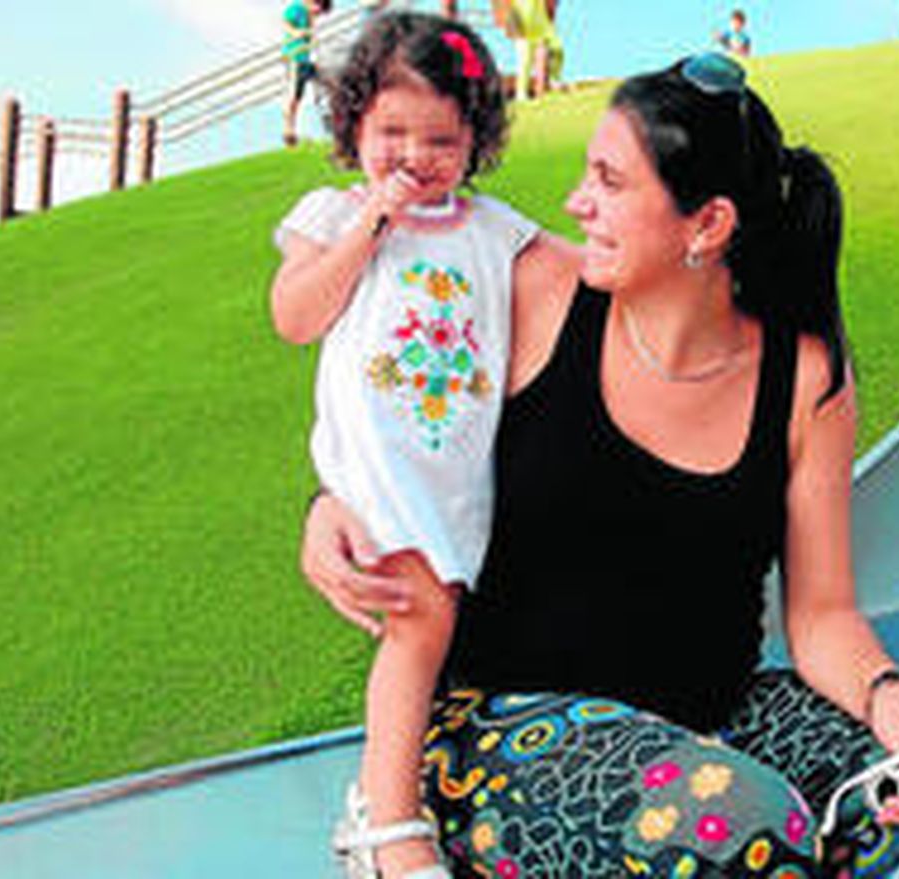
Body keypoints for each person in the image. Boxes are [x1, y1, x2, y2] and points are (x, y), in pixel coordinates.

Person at [300, 51, 899, 876]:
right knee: (733, 821)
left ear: (708, 225)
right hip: (494, 731)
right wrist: (333, 503)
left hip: (712, 724)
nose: (578, 202)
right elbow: (384, 393)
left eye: (610, 182)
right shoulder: (529, 289)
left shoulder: (806, 377)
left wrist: (888, 695)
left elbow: (822, 616)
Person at [270, 11, 555, 878]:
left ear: (476, 140)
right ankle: (387, 825)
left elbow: (585, 270)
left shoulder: (492, 226)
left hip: (455, 474)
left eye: (442, 138)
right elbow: (295, 317)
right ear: (354, 124)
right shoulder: (333, 213)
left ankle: (392, 793)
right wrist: (370, 225)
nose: (413, 156)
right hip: (375, 472)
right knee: (420, 623)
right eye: (391, 131)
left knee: (435, 623)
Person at [282, 0, 333, 147]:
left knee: (326, 87)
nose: (318, 14)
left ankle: (329, 121)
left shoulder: (310, 16)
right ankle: (289, 132)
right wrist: (297, 33)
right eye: (319, 10)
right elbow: (286, 23)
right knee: (295, 95)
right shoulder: (296, 8)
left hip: (308, 58)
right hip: (295, 57)